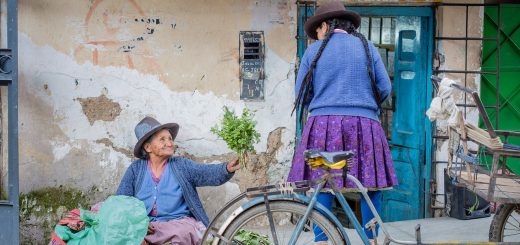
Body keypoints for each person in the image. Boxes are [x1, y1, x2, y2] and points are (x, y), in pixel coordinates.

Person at [287, 1, 398, 244]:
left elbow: (302, 95)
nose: (317, 35)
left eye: (317, 30)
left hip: (322, 127)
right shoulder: (367, 47)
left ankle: (322, 240)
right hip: (365, 126)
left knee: (321, 183)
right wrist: (363, 104)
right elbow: (384, 88)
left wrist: (324, 106)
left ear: (325, 25)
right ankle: (371, 239)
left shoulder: (312, 52)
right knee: (371, 184)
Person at [116, 116, 240, 245]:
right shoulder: (136, 169)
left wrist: (227, 168)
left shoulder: (181, 165)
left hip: (177, 224)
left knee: (184, 232)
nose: (170, 143)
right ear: (148, 147)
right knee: (123, 232)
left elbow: (206, 173)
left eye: (170, 138)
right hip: (146, 226)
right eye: (162, 140)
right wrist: (138, 223)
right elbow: (121, 201)